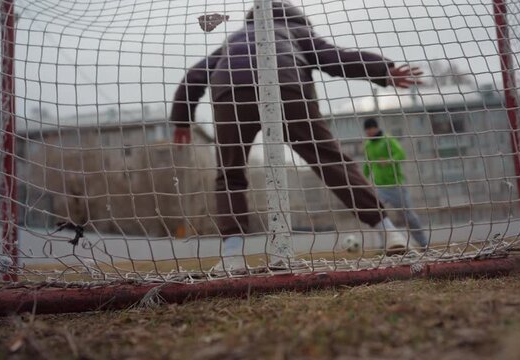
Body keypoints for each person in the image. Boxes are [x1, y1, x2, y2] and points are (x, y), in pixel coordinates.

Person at [171, 1, 422, 271]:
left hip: (231, 90)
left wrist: (182, 121)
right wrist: (382, 70)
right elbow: (335, 58)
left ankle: (232, 255)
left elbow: (194, 76)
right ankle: (389, 231)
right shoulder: (297, 32)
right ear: (297, 16)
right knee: (329, 160)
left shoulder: (235, 39)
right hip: (287, 85)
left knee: (229, 174)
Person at [362, 118, 429, 247]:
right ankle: (386, 244)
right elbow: (367, 163)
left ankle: (424, 244)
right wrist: (363, 178)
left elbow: (401, 154)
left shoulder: (388, 140)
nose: (367, 132)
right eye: (366, 130)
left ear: (375, 128)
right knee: (376, 214)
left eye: (369, 129)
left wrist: (388, 160)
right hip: (380, 187)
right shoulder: (368, 145)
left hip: (396, 186)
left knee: (409, 217)